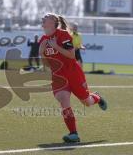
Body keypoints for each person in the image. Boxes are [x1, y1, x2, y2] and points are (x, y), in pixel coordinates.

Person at [39, 13, 107, 143]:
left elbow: (71, 55)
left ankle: (97, 98)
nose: (42, 19)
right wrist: (41, 53)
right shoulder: (42, 39)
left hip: (73, 74)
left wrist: (56, 47)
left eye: (46, 17)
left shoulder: (63, 34)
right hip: (58, 76)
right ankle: (73, 133)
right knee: (64, 100)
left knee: (87, 102)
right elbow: (46, 65)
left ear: (53, 22)